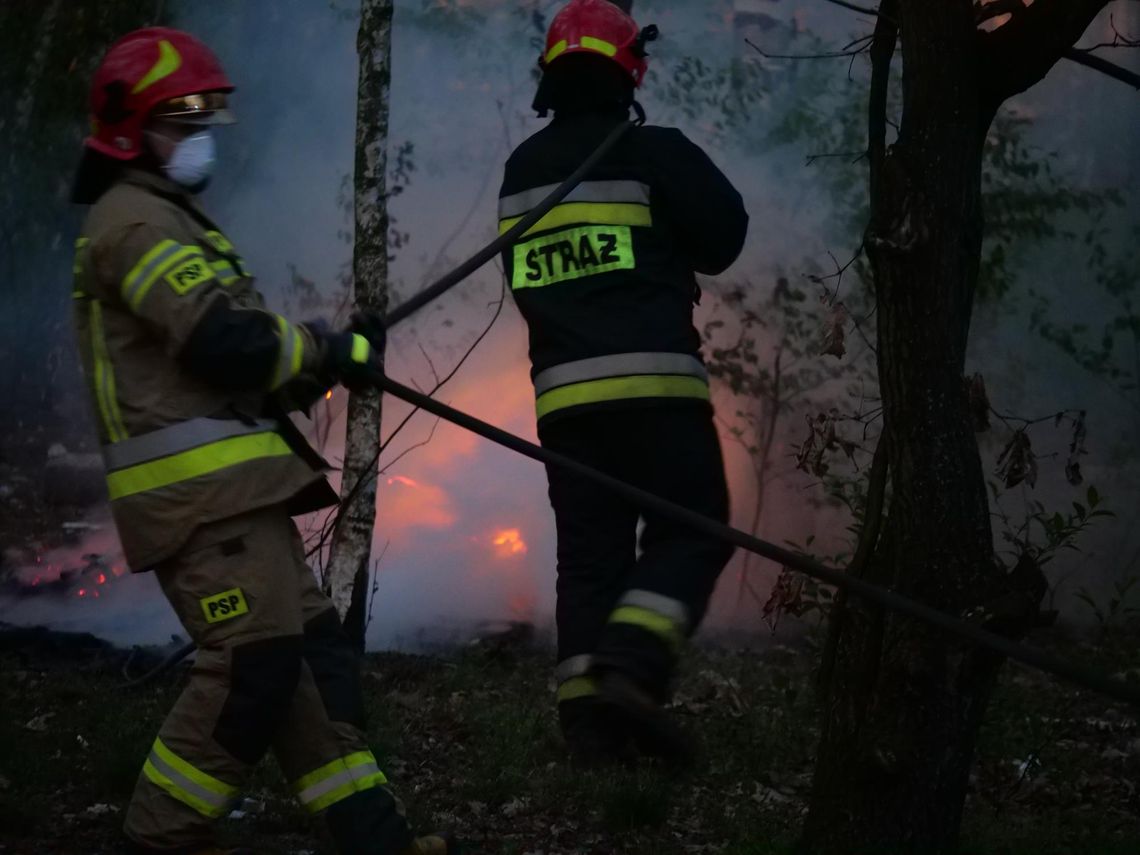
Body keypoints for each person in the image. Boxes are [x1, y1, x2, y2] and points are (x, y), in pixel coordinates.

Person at [70, 27, 454, 855]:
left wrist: (330, 359)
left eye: (208, 114)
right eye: (183, 117)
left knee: (313, 661)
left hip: (240, 498)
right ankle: (159, 837)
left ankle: (372, 838)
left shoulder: (168, 216)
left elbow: (242, 369)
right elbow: (222, 340)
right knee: (252, 667)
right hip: (201, 505)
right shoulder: (132, 222)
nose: (201, 132)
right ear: (131, 127)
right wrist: (323, 347)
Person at [497, 0, 749, 764]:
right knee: (694, 523)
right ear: (629, 70)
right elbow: (724, 238)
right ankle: (632, 671)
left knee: (591, 557)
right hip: (657, 394)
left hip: (567, 407)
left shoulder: (522, 170)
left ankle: (588, 728)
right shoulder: (655, 153)